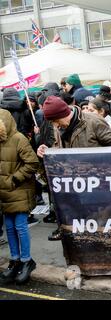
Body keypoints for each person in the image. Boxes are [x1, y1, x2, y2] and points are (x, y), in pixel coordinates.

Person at [37, 96, 111, 282]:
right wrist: (45, 151)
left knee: (106, 227)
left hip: (98, 186)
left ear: (64, 114)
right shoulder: (56, 127)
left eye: (56, 121)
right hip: (72, 188)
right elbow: (56, 151)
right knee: (76, 231)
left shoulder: (92, 122)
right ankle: (78, 265)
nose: (55, 125)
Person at [0, 109, 40, 285]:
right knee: (9, 227)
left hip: (19, 190)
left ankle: (26, 261)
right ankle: (15, 260)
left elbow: (32, 163)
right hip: (5, 193)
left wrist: (15, 179)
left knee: (20, 226)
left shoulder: (18, 139)